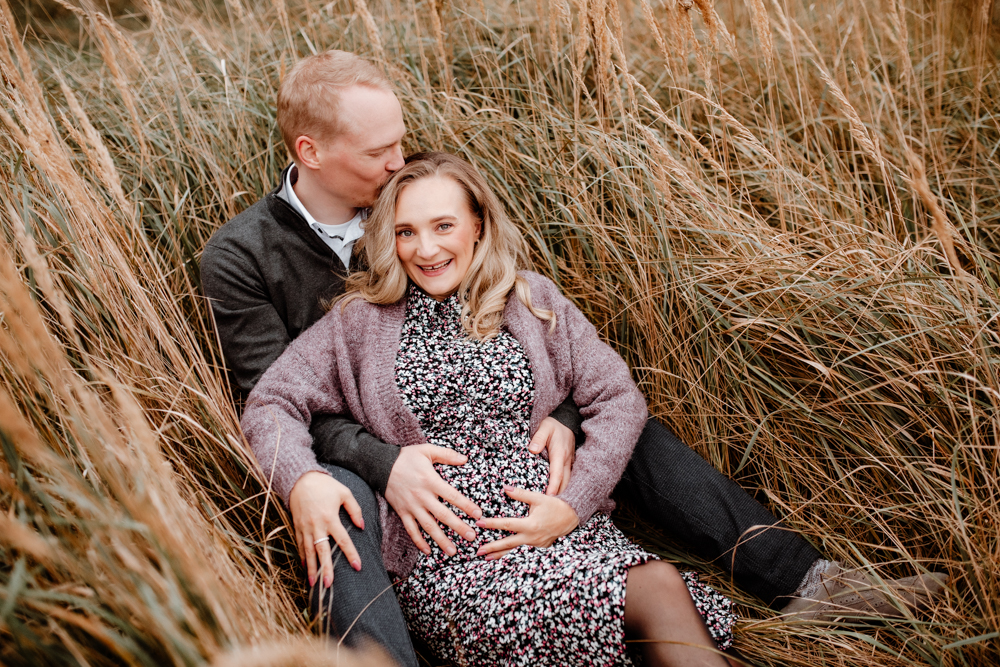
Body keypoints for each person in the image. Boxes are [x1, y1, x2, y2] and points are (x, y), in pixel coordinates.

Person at [199, 50, 945, 666]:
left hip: (523, 482)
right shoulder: (251, 260)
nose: (400, 166)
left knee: (626, 441)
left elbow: (556, 355)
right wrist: (359, 465)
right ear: (312, 154)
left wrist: (556, 414)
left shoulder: (439, 225)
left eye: (403, 147)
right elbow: (274, 395)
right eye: (380, 156)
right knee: (337, 501)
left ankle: (805, 580)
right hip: (388, 481)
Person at [241, 151, 739, 666]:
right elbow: (270, 402)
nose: (426, 248)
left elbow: (617, 397)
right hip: (459, 561)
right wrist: (301, 479)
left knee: (673, 630)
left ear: (478, 225)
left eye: (443, 225)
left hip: (567, 538)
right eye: (406, 232)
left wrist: (572, 505)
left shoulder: (530, 300)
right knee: (657, 592)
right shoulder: (358, 323)